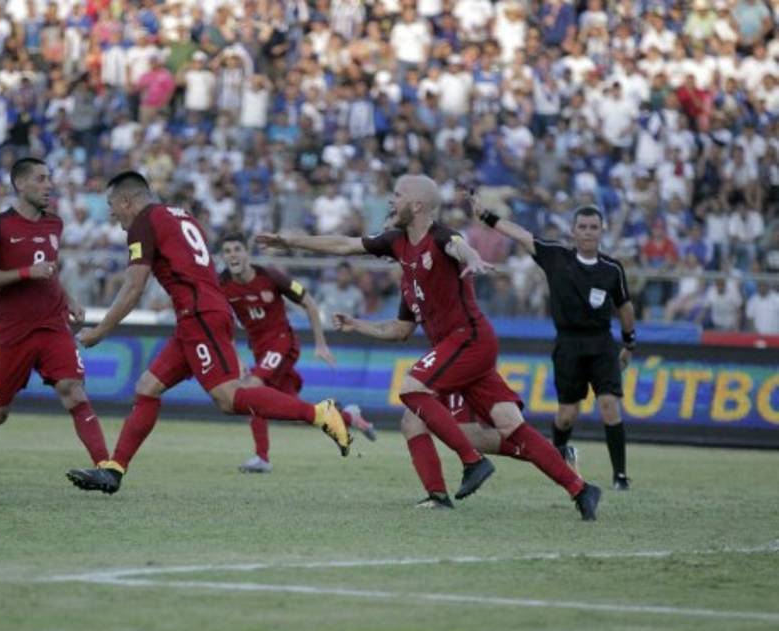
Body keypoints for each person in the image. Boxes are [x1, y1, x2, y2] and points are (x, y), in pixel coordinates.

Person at [259, 174, 601, 520]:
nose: (391, 201)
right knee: (485, 424)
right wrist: (354, 320)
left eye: (397, 195)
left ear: (417, 205)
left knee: (411, 389)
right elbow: (393, 317)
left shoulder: (441, 238)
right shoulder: (400, 250)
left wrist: (472, 258)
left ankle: (472, 462)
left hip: (469, 339)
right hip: (461, 349)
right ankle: (579, 489)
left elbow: (459, 246)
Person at [66, 172, 351, 495]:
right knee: (147, 388)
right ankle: (114, 470)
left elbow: (133, 286)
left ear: (127, 201)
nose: (111, 213)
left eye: (112, 205)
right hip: (198, 314)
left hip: (200, 314)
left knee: (229, 398)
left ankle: (319, 413)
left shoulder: (144, 223)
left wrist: (101, 331)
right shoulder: (180, 215)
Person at [0, 158, 110, 483]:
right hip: (12, 331)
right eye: (40, 179)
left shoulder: (55, 224)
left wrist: (69, 299)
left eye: (49, 179)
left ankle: (107, 468)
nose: (48, 185)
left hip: (53, 325)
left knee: (74, 391)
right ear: (20, 184)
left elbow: (49, 272)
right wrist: (25, 273)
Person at [478, 201, 637, 490]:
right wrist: (488, 217)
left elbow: (625, 306)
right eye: (582, 227)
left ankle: (620, 476)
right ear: (574, 232)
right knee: (566, 416)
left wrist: (629, 343)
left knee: (609, 405)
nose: (588, 233)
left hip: (602, 344)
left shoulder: (612, 269)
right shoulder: (555, 256)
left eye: (593, 227)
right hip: (568, 344)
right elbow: (521, 235)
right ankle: (557, 461)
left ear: (601, 232)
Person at [218, 233, 376, 473]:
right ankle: (347, 417)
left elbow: (309, 303)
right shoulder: (222, 284)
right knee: (294, 410)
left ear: (247, 253)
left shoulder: (270, 276)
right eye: (227, 251)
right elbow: (221, 322)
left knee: (251, 390)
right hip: (260, 350)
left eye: (237, 249)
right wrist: (235, 357)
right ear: (222, 257)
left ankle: (262, 458)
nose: (232, 255)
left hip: (282, 343)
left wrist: (320, 344)